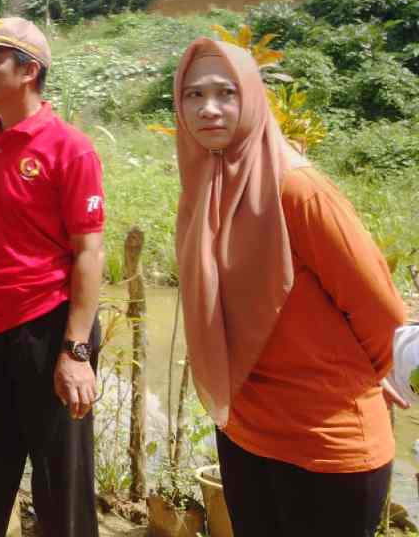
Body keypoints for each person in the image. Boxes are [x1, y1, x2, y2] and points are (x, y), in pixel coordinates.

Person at [172, 37, 406, 537]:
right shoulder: (205, 188)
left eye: (225, 93)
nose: (208, 109)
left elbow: (382, 314)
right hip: (245, 434)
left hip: (327, 447)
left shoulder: (298, 191)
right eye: (193, 95)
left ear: (252, 97)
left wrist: (373, 371)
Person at [0, 17, 106, 537]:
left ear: (29, 71)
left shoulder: (70, 148)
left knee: (61, 491)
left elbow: (90, 253)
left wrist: (75, 351)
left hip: (48, 330)